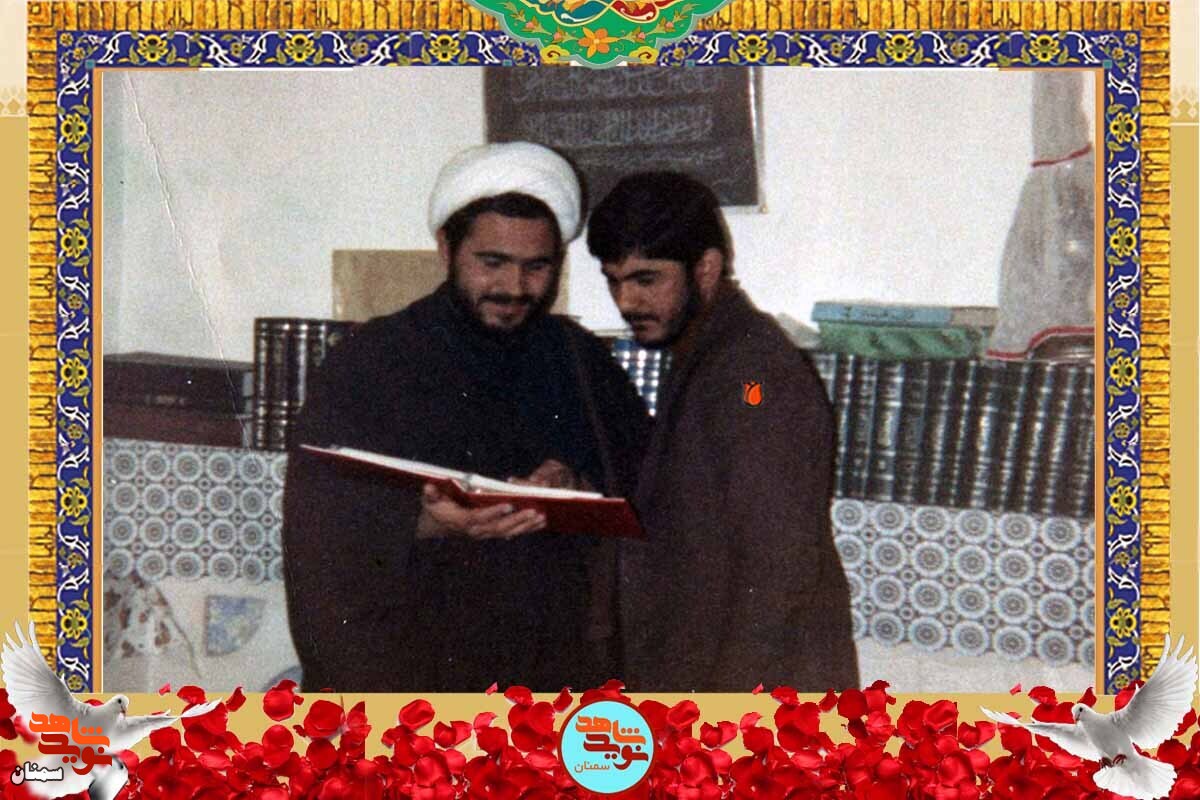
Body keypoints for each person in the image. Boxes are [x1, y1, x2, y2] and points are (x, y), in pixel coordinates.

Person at [282, 143, 648, 692]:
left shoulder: (578, 359)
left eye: (536, 267)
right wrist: (429, 522)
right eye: (492, 263)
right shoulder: (372, 360)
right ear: (446, 248)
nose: (515, 288)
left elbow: (647, 489)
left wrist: (576, 487)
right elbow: (318, 527)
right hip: (410, 677)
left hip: (549, 678)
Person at [586, 171, 859, 692]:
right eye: (613, 280)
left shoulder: (753, 377)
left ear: (706, 268)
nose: (626, 302)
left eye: (646, 280)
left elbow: (778, 566)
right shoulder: (708, 351)